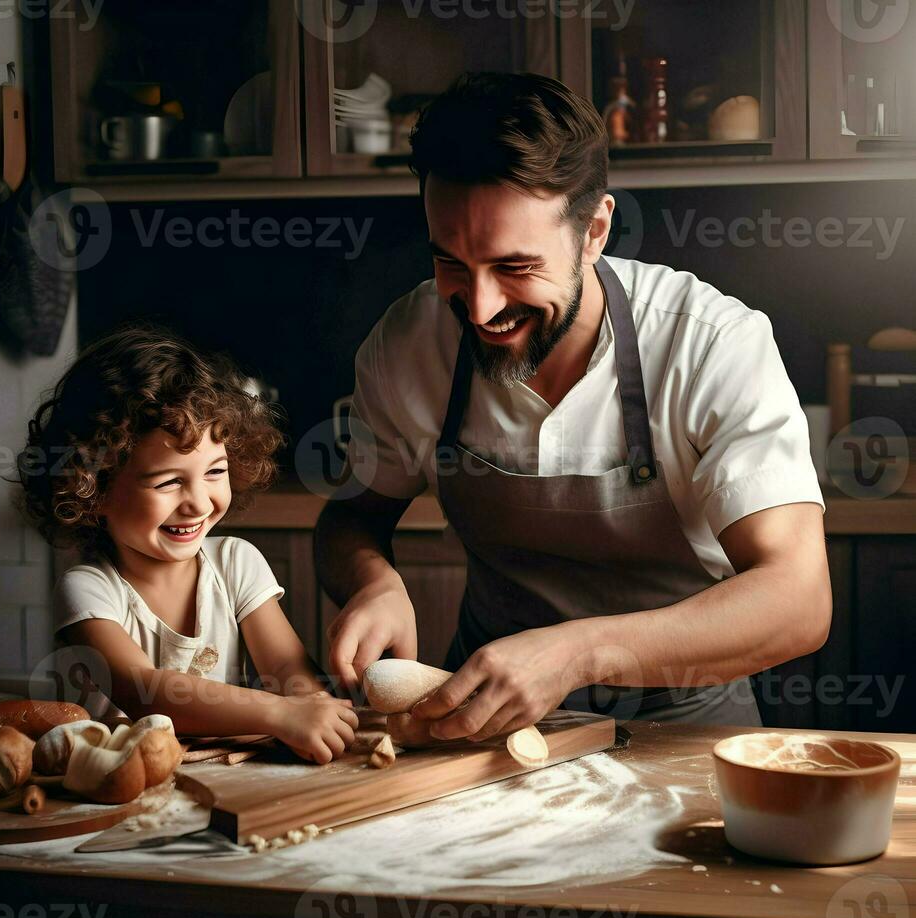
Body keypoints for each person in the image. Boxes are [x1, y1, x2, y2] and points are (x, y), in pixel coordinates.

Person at [315, 72, 831, 736]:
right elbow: (351, 517)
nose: (479, 307)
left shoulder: (708, 343)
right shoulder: (409, 343)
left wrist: (578, 654)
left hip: (685, 726)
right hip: (483, 728)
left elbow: (798, 599)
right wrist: (371, 582)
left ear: (594, 231)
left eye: (514, 267)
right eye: (451, 263)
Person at [20, 326, 357, 764]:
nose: (199, 502)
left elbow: (289, 670)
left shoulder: (237, 563)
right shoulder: (88, 590)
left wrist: (314, 708)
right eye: (169, 481)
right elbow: (146, 690)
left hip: (217, 780)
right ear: (94, 489)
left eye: (215, 472)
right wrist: (281, 714)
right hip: (120, 796)